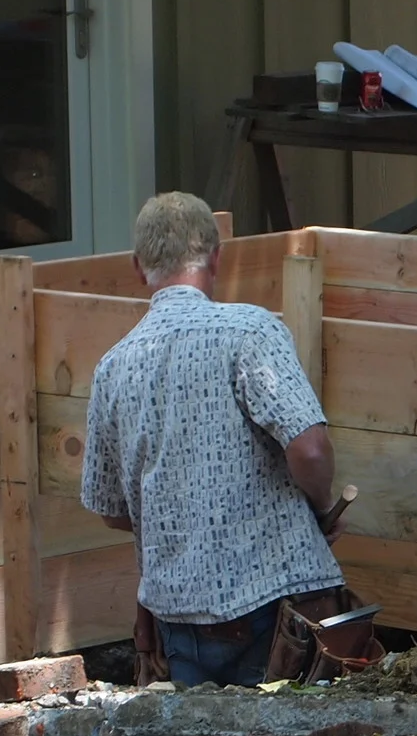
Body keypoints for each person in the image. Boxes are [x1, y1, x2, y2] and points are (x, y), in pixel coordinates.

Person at [80, 192, 355, 686]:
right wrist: (319, 505)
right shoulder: (250, 331)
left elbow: (111, 509)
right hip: (276, 607)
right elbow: (309, 448)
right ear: (217, 256)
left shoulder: (111, 368)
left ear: (139, 268)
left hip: (177, 617)